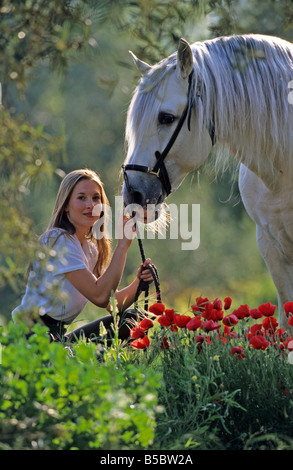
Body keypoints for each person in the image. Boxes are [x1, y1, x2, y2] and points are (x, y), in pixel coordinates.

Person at [12, 168, 153, 343]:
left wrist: (139, 282)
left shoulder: (90, 249)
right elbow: (99, 296)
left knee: (131, 319)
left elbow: (113, 304)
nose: (90, 205)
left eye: (96, 198)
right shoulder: (57, 240)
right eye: (81, 198)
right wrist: (122, 247)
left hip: (57, 337)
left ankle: (80, 360)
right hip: (30, 337)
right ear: (65, 206)